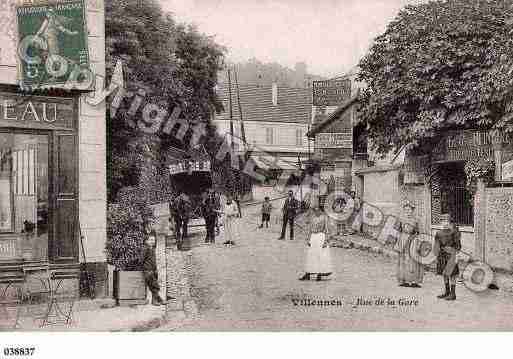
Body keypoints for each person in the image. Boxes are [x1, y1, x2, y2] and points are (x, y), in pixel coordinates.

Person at [299, 201, 333, 281]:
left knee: (320, 256)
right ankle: (308, 274)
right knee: (310, 256)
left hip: (321, 237)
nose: (316, 211)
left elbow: (327, 230)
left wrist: (326, 241)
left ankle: (319, 274)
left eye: (318, 210)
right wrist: (308, 239)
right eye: (315, 210)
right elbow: (310, 229)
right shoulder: (313, 217)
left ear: (321, 210)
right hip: (313, 237)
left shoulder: (325, 217)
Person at [434, 214, 461, 301]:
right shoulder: (438, 233)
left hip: (451, 255)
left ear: (449, 222)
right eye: (442, 221)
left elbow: (458, 246)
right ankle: (447, 292)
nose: (444, 223)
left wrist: (456, 256)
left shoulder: (454, 232)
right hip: (442, 256)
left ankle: (453, 294)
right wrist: (436, 254)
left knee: (452, 274)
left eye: (446, 221)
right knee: (444, 273)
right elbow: (436, 245)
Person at [397, 201, 424, 288]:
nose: (408, 212)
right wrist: (399, 241)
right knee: (403, 260)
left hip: (413, 240)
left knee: (413, 260)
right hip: (403, 240)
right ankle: (403, 280)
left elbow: (419, 232)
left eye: (409, 210)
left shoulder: (416, 220)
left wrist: (418, 242)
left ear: (412, 211)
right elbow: (398, 230)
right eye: (406, 210)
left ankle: (414, 281)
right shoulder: (401, 219)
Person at [142, 222, 166, 306]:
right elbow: (142, 260)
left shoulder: (151, 249)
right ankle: (155, 300)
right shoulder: (145, 249)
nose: (153, 242)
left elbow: (153, 260)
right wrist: (144, 268)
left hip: (153, 269)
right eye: (151, 240)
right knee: (154, 285)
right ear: (146, 241)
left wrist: (155, 269)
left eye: (154, 240)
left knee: (154, 284)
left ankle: (157, 298)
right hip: (148, 270)